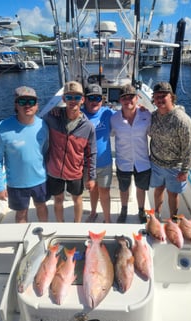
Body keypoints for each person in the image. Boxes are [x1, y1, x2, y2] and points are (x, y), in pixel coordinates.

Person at [0, 86, 49, 223]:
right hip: (17, 183)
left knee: (41, 206)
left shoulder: (43, 125)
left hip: (40, 179)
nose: (27, 105)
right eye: (22, 101)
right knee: (21, 213)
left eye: (32, 102)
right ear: (16, 105)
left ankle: (45, 233)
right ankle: (23, 240)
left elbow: (46, 150)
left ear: (37, 106)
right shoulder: (2, 127)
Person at [43, 81, 97, 223]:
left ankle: (77, 224)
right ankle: (60, 224)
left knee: (77, 198)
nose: (73, 101)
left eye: (77, 97)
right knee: (58, 199)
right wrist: (53, 110)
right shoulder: (51, 117)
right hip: (55, 170)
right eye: (69, 97)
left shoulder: (88, 127)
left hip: (75, 171)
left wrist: (91, 177)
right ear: (63, 99)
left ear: (82, 100)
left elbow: (91, 153)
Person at [149, 81, 191, 218]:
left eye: (163, 96)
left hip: (175, 167)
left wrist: (185, 170)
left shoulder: (182, 120)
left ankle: (173, 219)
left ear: (171, 97)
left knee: (172, 193)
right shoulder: (153, 116)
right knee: (158, 189)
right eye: (156, 96)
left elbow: (190, 147)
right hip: (156, 164)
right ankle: (156, 214)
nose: (159, 99)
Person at [111, 84, 151, 223]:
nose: (128, 100)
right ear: (120, 100)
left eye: (131, 97)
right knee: (124, 188)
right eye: (124, 98)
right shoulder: (114, 118)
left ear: (137, 98)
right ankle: (124, 210)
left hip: (142, 161)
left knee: (141, 188)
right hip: (123, 161)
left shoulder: (147, 115)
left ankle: (141, 211)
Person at [82, 84, 115, 223]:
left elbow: (127, 114)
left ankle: (107, 219)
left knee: (105, 192)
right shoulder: (80, 114)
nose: (94, 101)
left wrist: (141, 109)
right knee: (92, 190)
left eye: (98, 98)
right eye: (91, 98)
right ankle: (93, 212)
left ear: (102, 99)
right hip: (87, 164)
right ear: (84, 100)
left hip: (105, 162)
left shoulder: (108, 113)